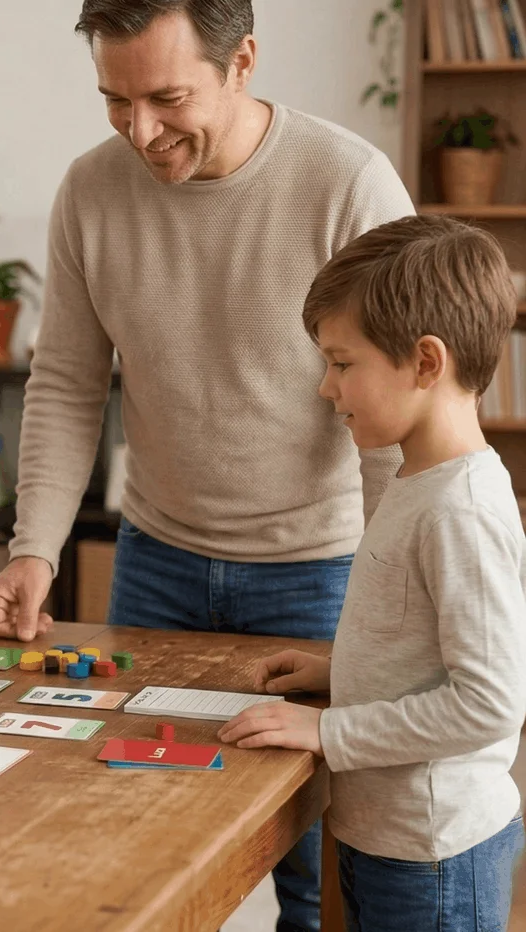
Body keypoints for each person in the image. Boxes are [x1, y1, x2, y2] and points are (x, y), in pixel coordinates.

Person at [0, 2, 413, 928]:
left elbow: (391, 418)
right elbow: (64, 382)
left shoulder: (348, 183)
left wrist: (381, 603)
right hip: (157, 560)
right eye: (114, 99)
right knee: (138, 833)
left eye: (167, 97)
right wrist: (35, 549)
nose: (141, 131)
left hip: (319, 571)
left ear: (243, 61)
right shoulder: (90, 191)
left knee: (303, 867)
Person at [219, 214, 526, 932]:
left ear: (425, 362)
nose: (327, 387)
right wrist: (342, 673)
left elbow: (488, 704)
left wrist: (329, 732)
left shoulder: (462, 511)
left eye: (342, 362)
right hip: (389, 837)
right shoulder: (417, 480)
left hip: (432, 856)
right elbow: (430, 650)